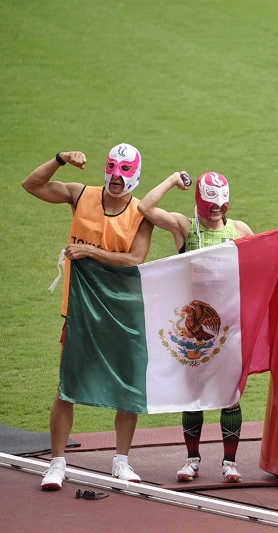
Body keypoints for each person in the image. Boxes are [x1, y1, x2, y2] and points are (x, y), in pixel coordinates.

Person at [138, 171, 278, 483]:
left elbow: (265, 257)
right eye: (211, 205)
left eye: (221, 205)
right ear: (199, 201)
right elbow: (145, 208)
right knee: (194, 394)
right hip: (193, 328)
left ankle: (230, 463)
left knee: (230, 395)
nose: (217, 210)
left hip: (229, 327)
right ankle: (192, 460)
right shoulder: (186, 227)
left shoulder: (239, 229)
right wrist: (173, 180)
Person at [22, 144, 155, 490]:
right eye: (112, 167)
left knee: (128, 387)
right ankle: (57, 462)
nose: (116, 176)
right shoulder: (81, 195)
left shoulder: (143, 213)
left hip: (123, 312)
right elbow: (31, 185)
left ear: (136, 175)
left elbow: (136, 259)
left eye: (124, 170)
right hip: (79, 310)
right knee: (67, 385)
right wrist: (60, 159)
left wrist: (90, 252)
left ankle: (121, 461)